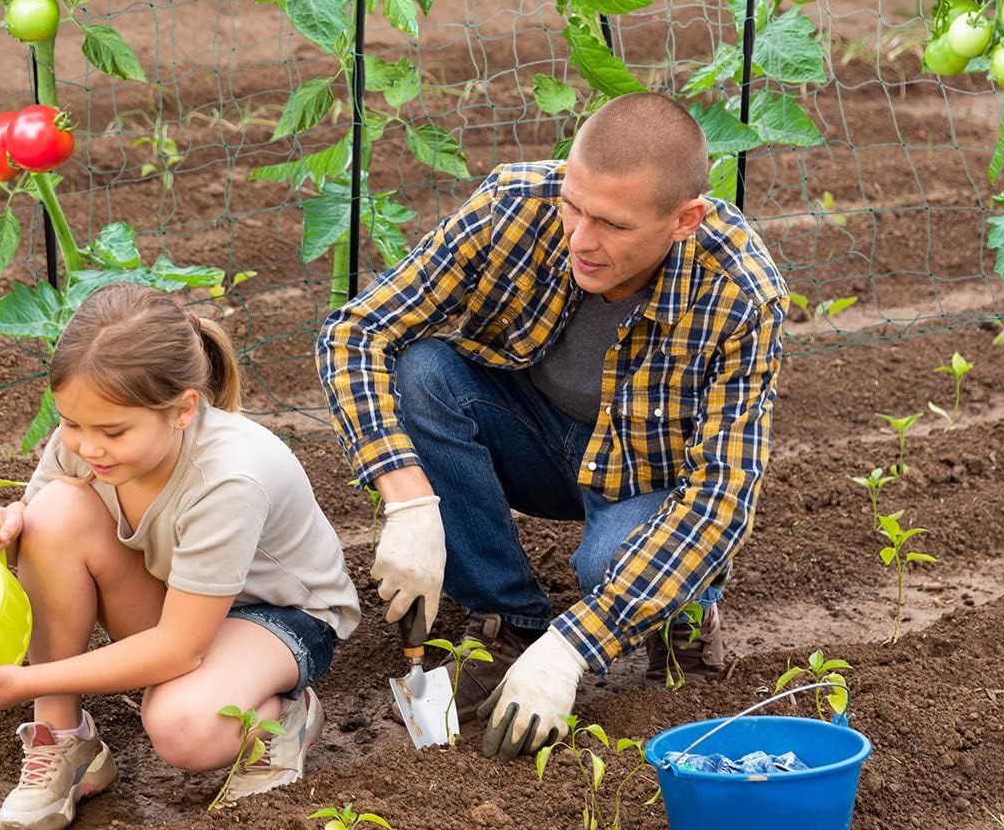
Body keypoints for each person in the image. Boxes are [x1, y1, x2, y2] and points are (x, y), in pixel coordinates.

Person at [317, 91, 786, 762]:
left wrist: (572, 648)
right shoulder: (515, 207)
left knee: (610, 563)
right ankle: (510, 621)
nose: (580, 239)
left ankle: (678, 618)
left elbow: (722, 501)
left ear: (685, 220)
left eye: (612, 225)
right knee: (422, 372)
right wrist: (407, 497)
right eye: (574, 205)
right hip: (534, 436)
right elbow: (354, 331)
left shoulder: (740, 291)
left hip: (643, 479)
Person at [0, 283, 361, 829]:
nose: (87, 446)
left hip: (282, 619)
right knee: (52, 513)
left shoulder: (228, 479)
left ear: (183, 409)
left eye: (112, 431)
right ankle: (65, 742)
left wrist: (23, 680)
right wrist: (9, 522)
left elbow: (177, 646)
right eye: (71, 422)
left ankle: (286, 718)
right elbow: (44, 521)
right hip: (184, 602)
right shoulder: (85, 443)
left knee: (184, 726)